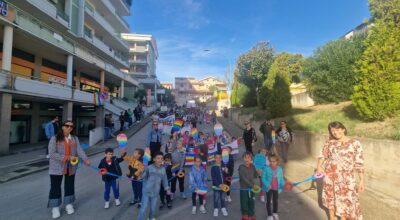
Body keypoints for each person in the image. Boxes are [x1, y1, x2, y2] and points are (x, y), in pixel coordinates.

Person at [316, 122, 365, 220]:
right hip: (330, 177)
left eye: (337, 129)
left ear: (343, 129)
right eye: (332, 130)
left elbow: (359, 163)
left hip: (346, 179)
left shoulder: (355, 143)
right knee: (331, 199)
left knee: (346, 200)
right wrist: (318, 167)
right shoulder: (329, 142)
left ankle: (343, 218)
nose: (335, 132)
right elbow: (322, 155)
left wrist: (361, 180)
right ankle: (331, 218)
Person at [47, 120, 90, 219]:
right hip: (56, 167)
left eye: (71, 126)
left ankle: (68, 204)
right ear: (62, 127)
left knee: (69, 185)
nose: (69, 128)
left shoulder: (74, 138)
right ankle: (55, 207)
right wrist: (68, 157)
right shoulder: (55, 138)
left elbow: (79, 150)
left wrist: (85, 159)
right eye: (67, 126)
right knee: (55, 187)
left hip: (71, 167)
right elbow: (52, 154)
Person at [137, 152, 170, 220]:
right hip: (147, 191)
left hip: (155, 192)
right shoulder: (149, 168)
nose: (160, 160)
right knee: (144, 207)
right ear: (154, 159)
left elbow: (165, 180)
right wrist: (140, 172)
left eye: (161, 158)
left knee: (153, 207)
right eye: (158, 158)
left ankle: (151, 217)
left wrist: (167, 189)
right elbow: (142, 177)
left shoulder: (163, 169)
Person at [261, 155, 285, 220]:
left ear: (277, 161)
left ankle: (275, 212)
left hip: (276, 188)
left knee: (275, 201)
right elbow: (263, 178)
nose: (272, 163)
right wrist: (267, 184)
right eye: (270, 161)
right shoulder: (266, 168)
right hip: (269, 188)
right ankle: (269, 215)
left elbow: (281, 179)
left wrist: (284, 185)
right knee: (268, 201)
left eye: (274, 161)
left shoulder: (280, 169)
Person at [239, 151, 258, 220]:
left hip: (252, 188)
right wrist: (252, 186)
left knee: (251, 201)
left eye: (248, 158)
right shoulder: (241, 167)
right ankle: (245, 214)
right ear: (243, 159)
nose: (247, 159)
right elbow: (244, 179)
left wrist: (258, 172)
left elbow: (255, 176)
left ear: (251, 159)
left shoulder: (253, 166)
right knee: (244, 202)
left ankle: (251, 213)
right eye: (245, 158)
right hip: (244, 189)